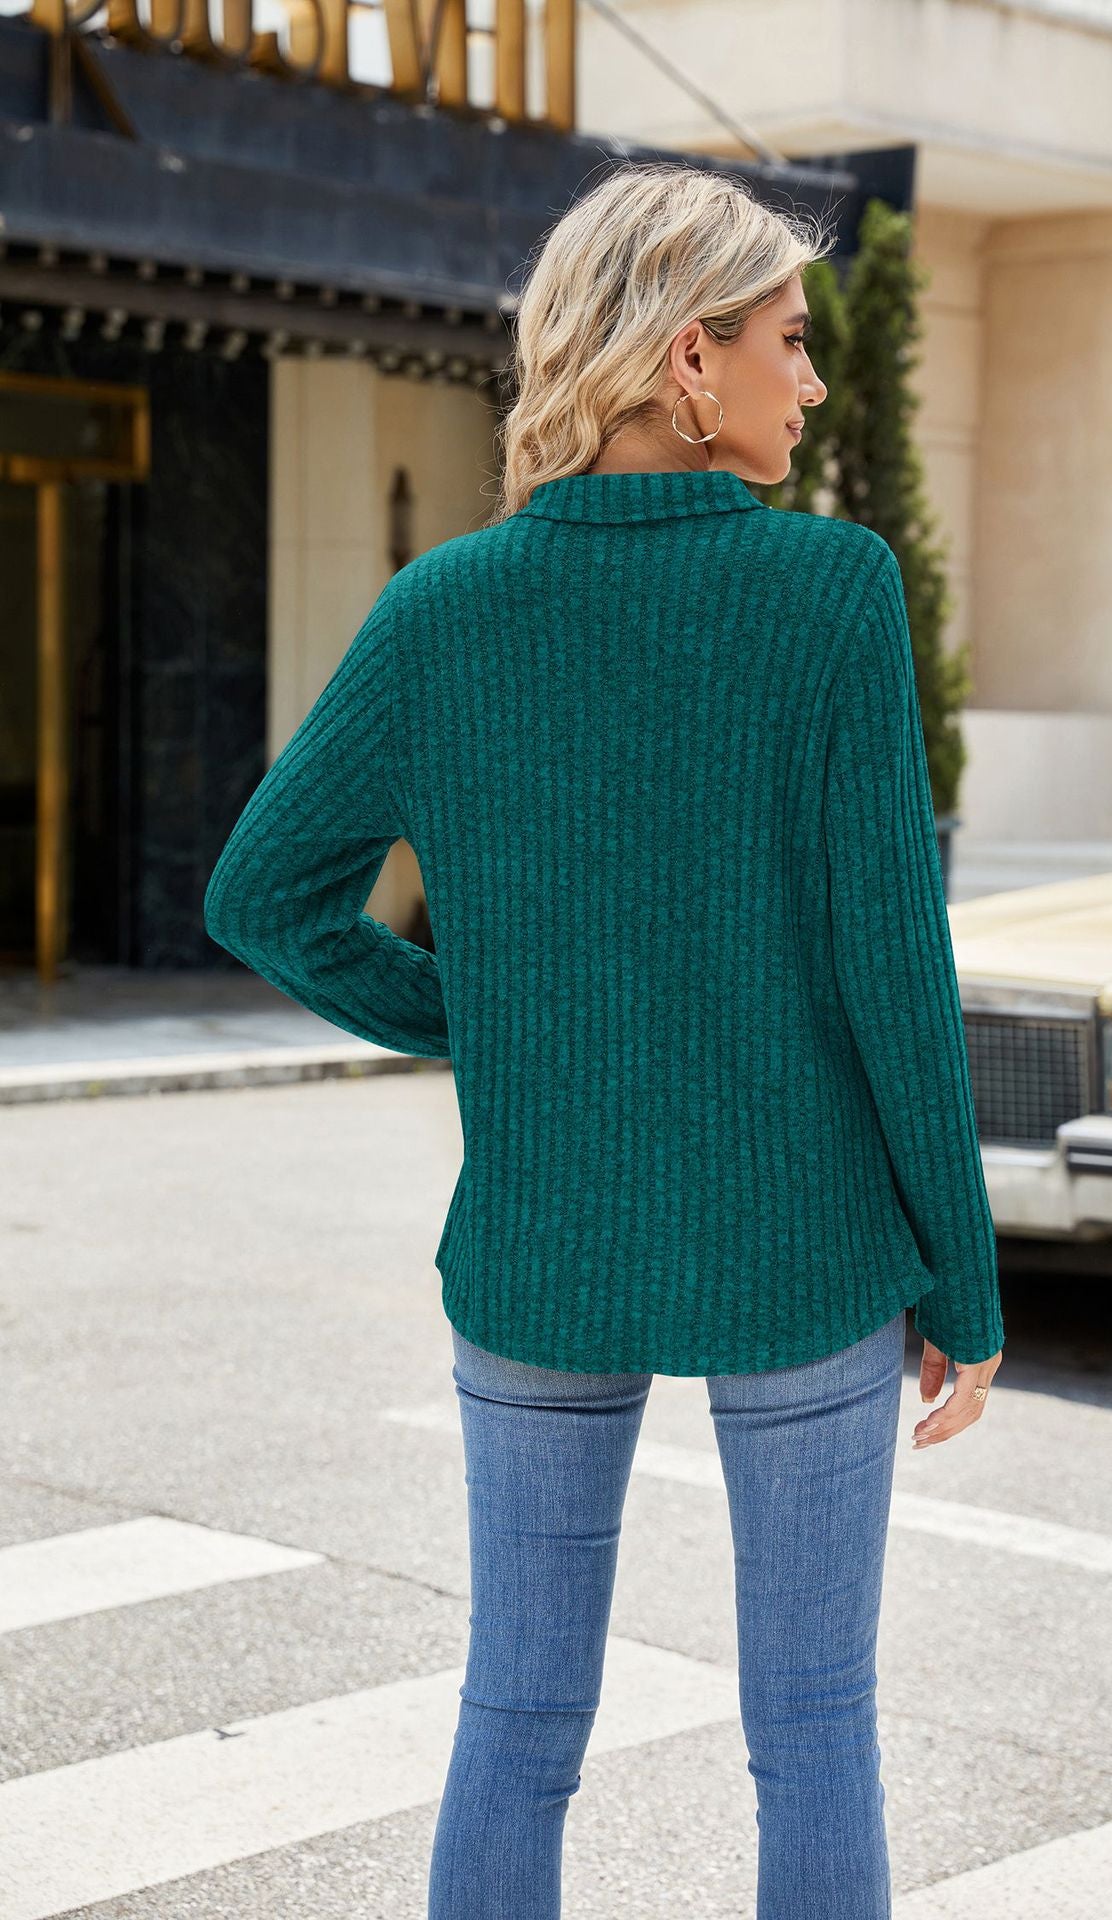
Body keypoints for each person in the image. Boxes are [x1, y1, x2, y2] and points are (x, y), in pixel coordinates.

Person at [203, 160, 1004, 1919]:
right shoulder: (830, 593)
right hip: (805, 1248)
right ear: (687, 361)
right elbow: (896, 965)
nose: (814, 380)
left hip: (540, 1251)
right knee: (816, 1731)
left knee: (518, 1720)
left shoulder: (443, 610)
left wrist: (485, 1022)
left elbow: (265, 896)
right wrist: (964, 1275)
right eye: (788, 339)